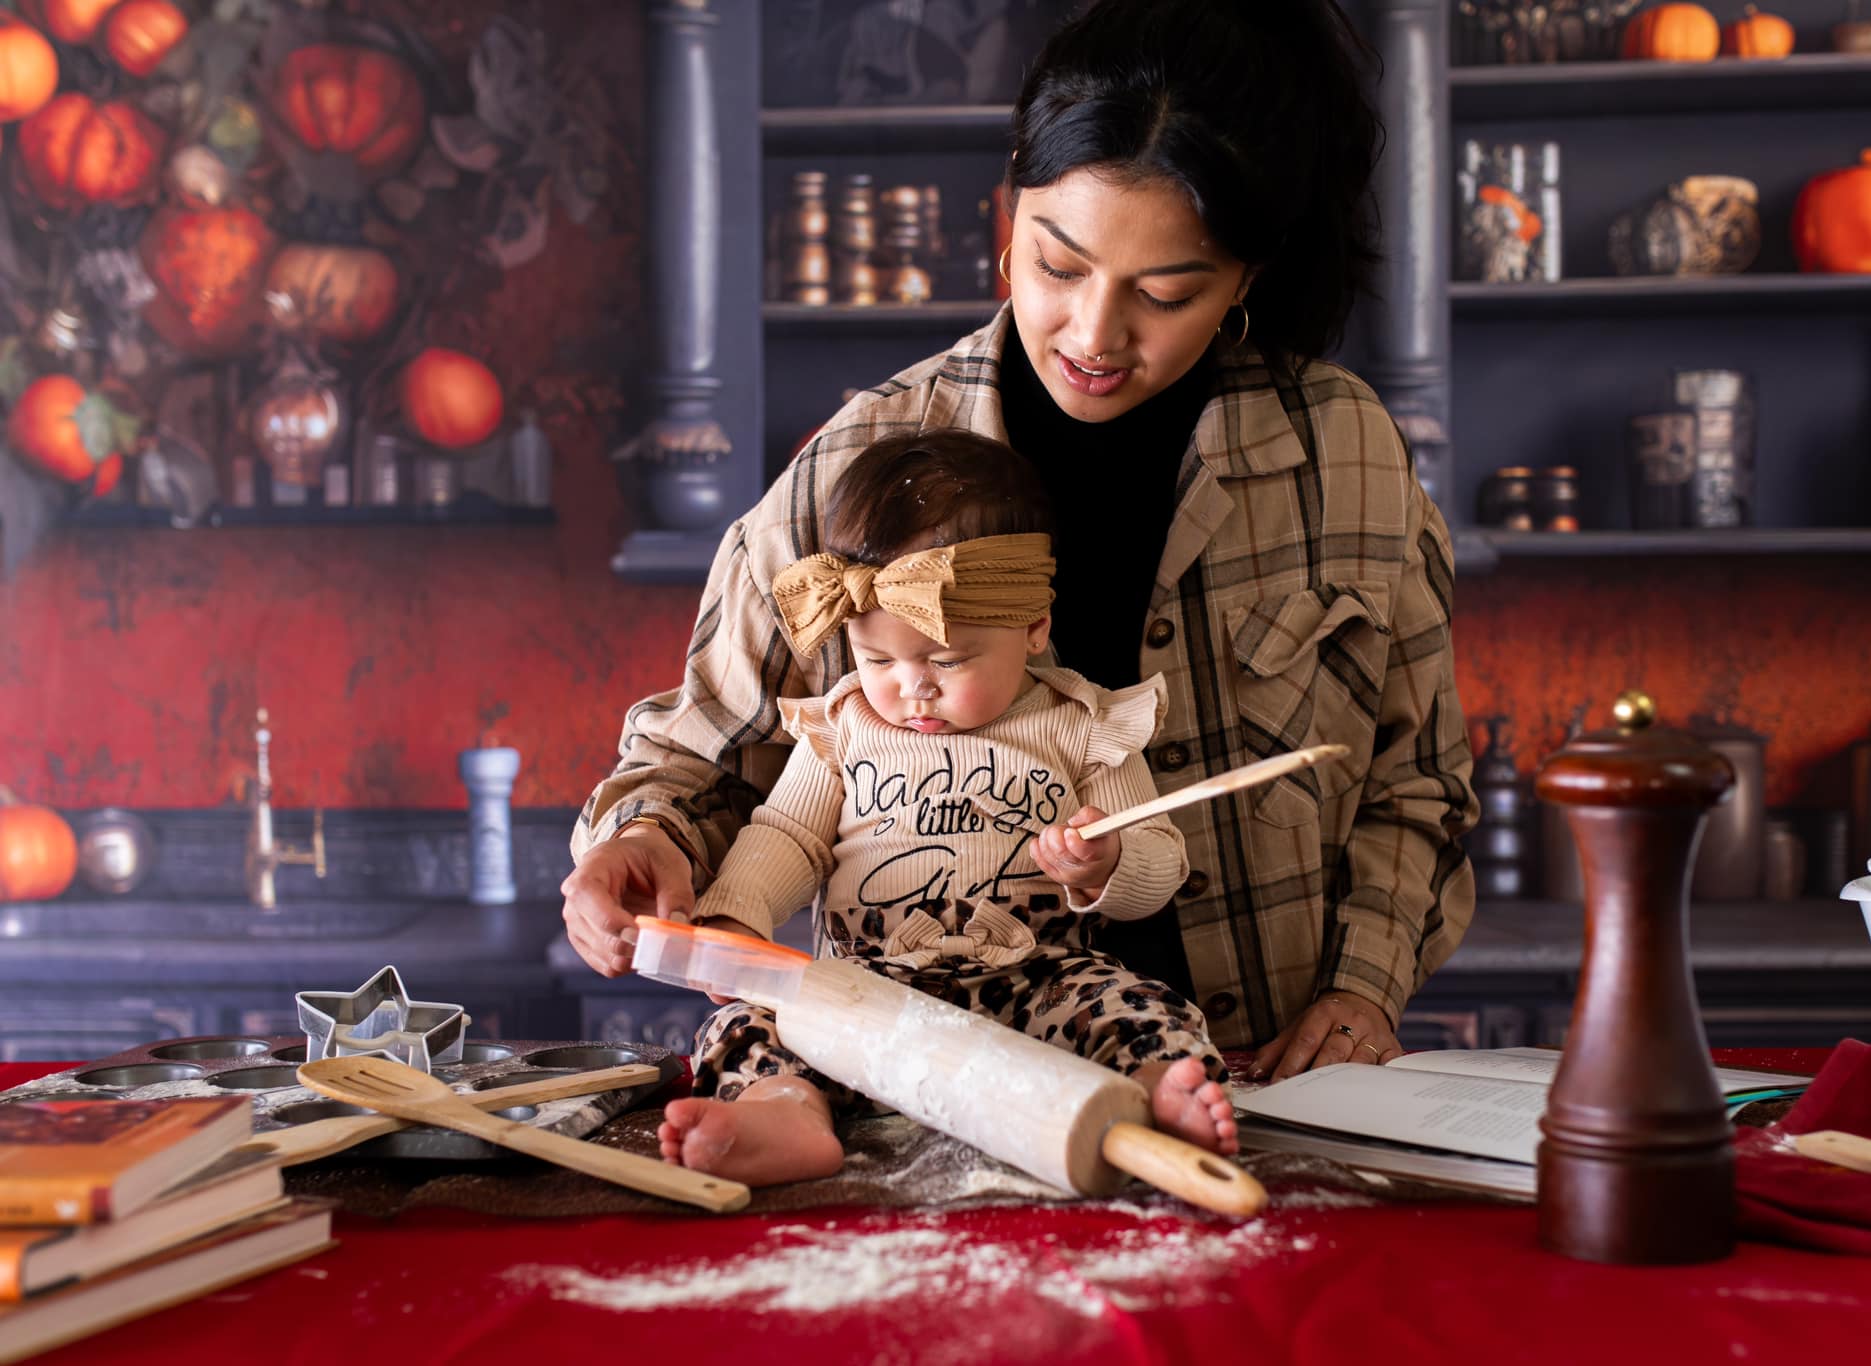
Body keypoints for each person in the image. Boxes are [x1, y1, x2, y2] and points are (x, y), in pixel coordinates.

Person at [562, 0, 1477, 1089]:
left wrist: (1361, 988)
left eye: (1164, 291)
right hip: (923, 1093)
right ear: (1008, 210)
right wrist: (647, 845)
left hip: (1250, 1091)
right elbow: (698, 761)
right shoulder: (861, 462)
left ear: (1244, 280)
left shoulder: (1344, 454)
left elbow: (1414, 785)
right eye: (1057, 263)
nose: (1093, 335)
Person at [649, 430, 1237, 1184]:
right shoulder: (847, 726)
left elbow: (1159, 859)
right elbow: (787, 835)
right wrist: (737, 917)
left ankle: (1157, 1095)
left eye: (947, 661)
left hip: (1037, 985)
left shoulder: (1082, 727)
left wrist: (1110, 859)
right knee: (747, 1022)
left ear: (1034, 628)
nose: (910, 687)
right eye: (877, 659)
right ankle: (787, 1111)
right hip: (865, 995)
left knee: (1144, 1009)